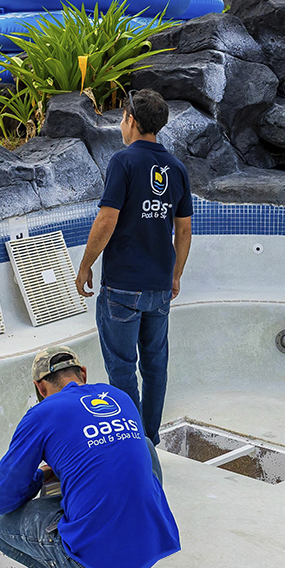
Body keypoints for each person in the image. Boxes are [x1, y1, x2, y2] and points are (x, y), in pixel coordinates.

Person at [0, 346, 181, 568]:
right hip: (151, 550)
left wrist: (40, 476)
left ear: (40, 388)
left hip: (93, 563)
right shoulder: (119, 397)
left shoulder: (42, 413)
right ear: (83, 374)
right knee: (146, 446)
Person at [75, 89, 193, 444]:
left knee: (122, 368)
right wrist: (176, 274)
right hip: (159, 286)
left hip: (123, 287)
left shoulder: (123, 162)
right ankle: (149, 439)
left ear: (131, 120)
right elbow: (184, 230)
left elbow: (106, 220)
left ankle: (133, 445)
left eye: (122, 117)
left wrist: (85, 265)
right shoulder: (177, 168)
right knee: (155, 366)